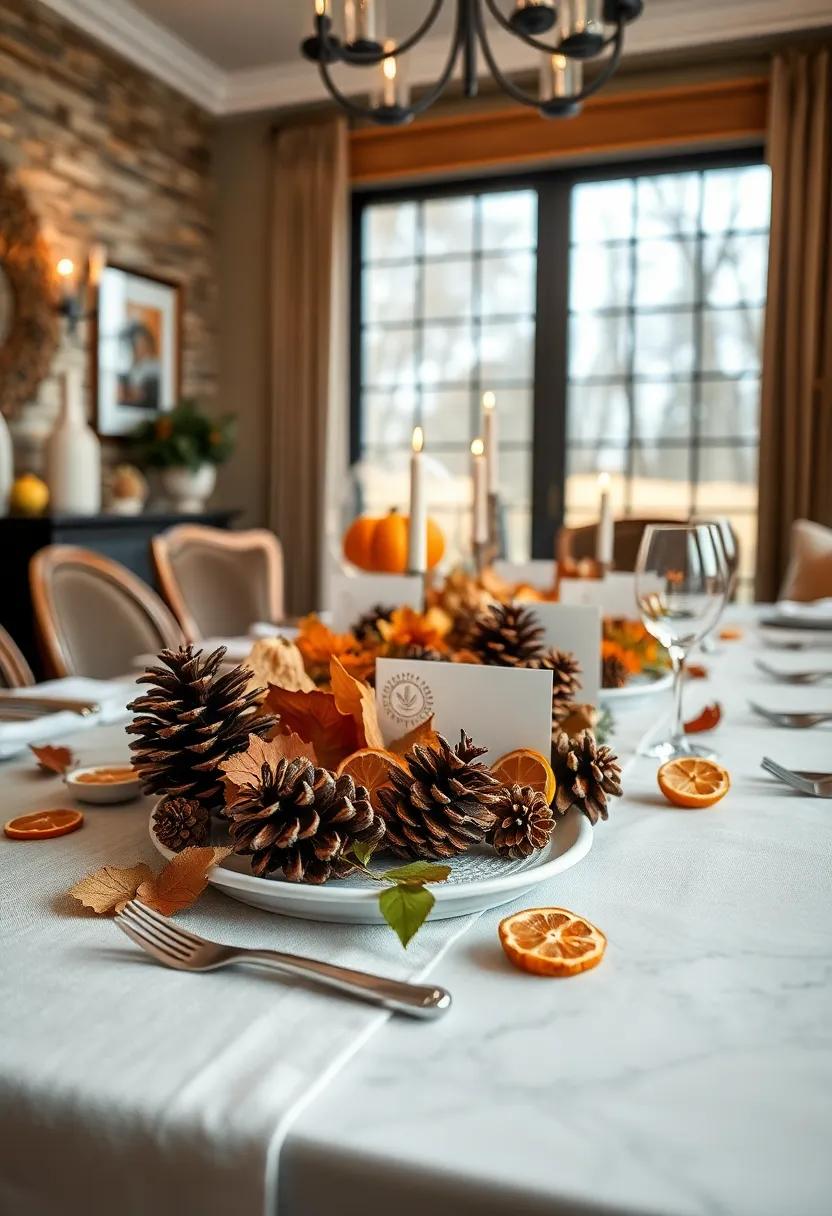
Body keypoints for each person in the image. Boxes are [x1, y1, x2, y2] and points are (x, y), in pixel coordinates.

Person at [118, 321, 161, 410]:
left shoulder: (154, 366)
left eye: (144, 342)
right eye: (138, 343)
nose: (142, 347)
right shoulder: (129, 369)